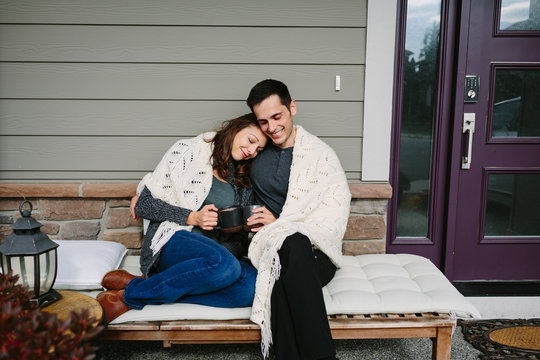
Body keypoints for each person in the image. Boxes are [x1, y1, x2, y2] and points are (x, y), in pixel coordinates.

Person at [96, 113, 267, 323]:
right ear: (236, 128)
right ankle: (128, 297)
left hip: (213, 258)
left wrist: (238, 231)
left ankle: (145, 285)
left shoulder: (243, 180)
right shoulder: (188, 151)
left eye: (258, 150)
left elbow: (238, 240)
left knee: (251, 288)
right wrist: (193, 217)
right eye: (251, 141)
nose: (251, 151)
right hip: (173, 241)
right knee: (227, 266)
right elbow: (144, 204)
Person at [243, 79, 351, 360]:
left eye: (277, 116)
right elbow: (205, 153)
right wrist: (145, 189)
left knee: (294, 249)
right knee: (290, 251)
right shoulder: (255, 152)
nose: (271, 127)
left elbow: (334, 213)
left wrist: (279, 222)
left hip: (317, 253)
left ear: (292, 108)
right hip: (272, 247)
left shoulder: (321, 155)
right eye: (263, 121)